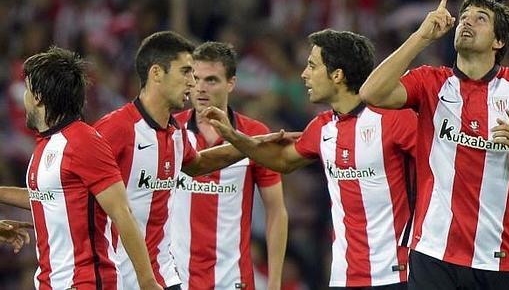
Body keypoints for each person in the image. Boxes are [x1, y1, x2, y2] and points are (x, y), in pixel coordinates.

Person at [359, 0, 509, 289]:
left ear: (499, 42)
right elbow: (371, 93)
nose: (467, 21)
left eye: (481, 18)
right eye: (464, 16)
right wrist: (421, 37)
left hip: (494, 256)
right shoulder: (430, 82)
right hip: (431, 249)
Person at [203, 29, 418, 289]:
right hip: (343, 277)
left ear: (337, 75)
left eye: (312, 66)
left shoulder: (396, 119)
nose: (304, 74)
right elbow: (283, 161)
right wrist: (235, 137)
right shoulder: (322, 127)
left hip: (397, 275)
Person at [93, 31, 291, 290]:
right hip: (134, 275)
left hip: (187, 277)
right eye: (188, 74)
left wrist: (253, 144)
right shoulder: (119, 128)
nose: (195, 85)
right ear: (156, 73)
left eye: (207, 79)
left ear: (231, 83)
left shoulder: (175, 134)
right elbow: (73, 188)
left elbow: (197, 164)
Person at [0, 47, 162, 290]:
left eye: (27, 90)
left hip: (84, 283)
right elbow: (51, 197)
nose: (23, 98)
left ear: (39, 97)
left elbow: (122, 212)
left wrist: (148, 282)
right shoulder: (47, 143)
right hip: (52, 283)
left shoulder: (83, 142)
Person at [171, 41, 288, 290]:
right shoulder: (170, 131)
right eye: (195, 78)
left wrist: (275, 282)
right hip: (176, 279)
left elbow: (276, 211)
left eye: (211, 80)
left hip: (234, 280)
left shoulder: (254, 134)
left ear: (231, 83)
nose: (200, 88)